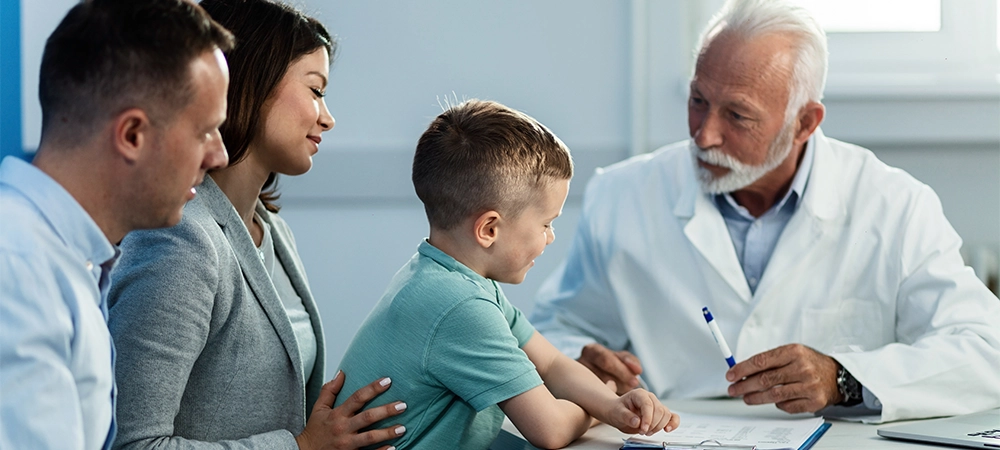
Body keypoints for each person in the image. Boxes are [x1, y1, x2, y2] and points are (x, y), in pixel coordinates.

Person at [530, 0, 1000, 423]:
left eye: (737, 115)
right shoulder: (622, 194)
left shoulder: (895, 205)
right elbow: (557, 330)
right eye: (698, 101)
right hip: (674, 432)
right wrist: (580, 363)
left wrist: (843, 378)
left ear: (804, 123)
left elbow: (986, 350)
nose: (704, 135)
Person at [107, 1, 404, 449]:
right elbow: (135, 444)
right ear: (252, 82)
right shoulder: (181, 239)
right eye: (316, 90)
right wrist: (302, 447)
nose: (328, 117)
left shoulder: (273, 232)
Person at [334, 100, 679, 450]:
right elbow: (551, 430)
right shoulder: (458, 305)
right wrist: (600, 403)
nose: (550, 236)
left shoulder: (445, 276)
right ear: (489, 229)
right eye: (546, 223)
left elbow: (551, 363)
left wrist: (612, 404)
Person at [0, 0, 232, 449]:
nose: (218, 155)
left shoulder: (63, 258)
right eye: (206, 131)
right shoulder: (18, 269)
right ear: (132, 135)